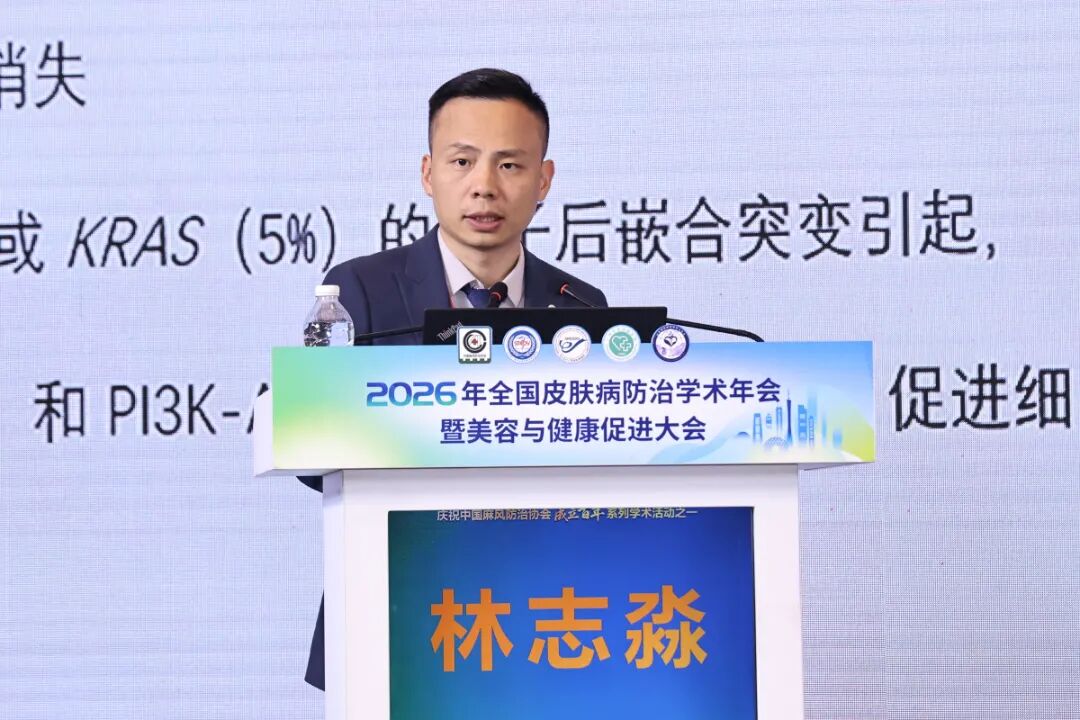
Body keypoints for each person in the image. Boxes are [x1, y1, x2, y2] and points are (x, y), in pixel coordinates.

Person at [301, 68, 608, 691]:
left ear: (544, 180)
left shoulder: (581, 305)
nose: (484, 186)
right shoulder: (359, 290)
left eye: (510, 165)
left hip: (544, 613)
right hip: (397, 600)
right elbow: (305, 439)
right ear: (428, 173)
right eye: (462, 161)